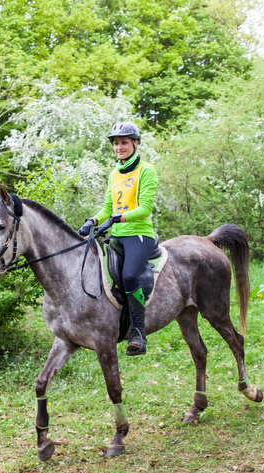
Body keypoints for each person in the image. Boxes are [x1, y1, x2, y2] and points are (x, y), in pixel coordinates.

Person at [78, 122, 158, 356]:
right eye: (116, 143)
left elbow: (145, 208)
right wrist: (92, 221)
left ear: (135, 143)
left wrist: (120, 217)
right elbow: (106, 208)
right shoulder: (114, 173)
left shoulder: (146, 170)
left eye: (124, 142)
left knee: (129, 275)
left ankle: (138, 333)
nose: (119, 147)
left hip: (139, 235)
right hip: (117, 236)